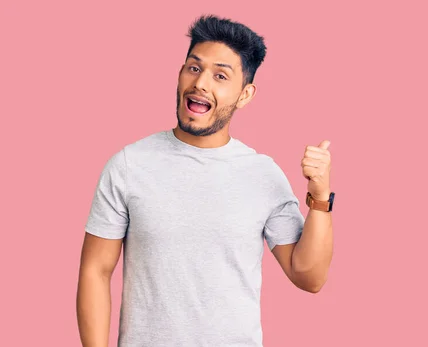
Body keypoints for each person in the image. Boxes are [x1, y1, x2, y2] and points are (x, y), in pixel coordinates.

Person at [76, 14, 335, 347]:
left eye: (220, 75)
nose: (201, 83)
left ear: (245, 94)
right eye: (194, 68)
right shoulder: (129, 165)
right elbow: (95, 271)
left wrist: (319, 196)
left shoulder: (262, 174)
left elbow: (309, 277)